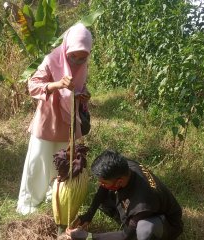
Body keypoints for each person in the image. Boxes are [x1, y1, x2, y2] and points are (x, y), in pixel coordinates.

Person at [17, 23, 92, 215]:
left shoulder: (82, 65)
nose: (76, 61)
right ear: (66, 48)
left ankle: (57, 197)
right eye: (73, 56)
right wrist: (57, 84)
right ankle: (30, 203)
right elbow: (33, 85)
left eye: (82, 58)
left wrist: (83, 96)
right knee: (38, 160)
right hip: (48, 119)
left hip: (69, 122)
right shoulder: (51, 60)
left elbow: (79, 89)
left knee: (65, 161)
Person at [67, 150, 183, 240]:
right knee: (103, 199)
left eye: (104, 182)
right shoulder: (124, 166)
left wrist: (88, 236)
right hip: (148, 205)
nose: (101, 184)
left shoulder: (142, 204)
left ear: (119, 182)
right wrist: (89, 214)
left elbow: (125, 236)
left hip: (167, 223)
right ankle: (128, 223)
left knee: (144, 229)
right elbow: (103, 189)